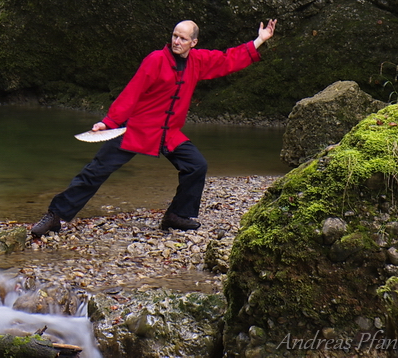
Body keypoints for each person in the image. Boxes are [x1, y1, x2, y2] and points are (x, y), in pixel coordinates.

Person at [31, 18, 277, 235]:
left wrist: (260, 39)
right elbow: (132, 92)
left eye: (182, 38)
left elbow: (227, 60)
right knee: (96, 171)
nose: (176, 41)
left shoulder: (199, 61)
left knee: (196, 166)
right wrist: (108, 123)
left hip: (168, 133)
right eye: (174, 36)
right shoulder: (156, 59)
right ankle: (55, 216)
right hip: (136, 129)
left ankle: (176, 216)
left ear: (194, 42)